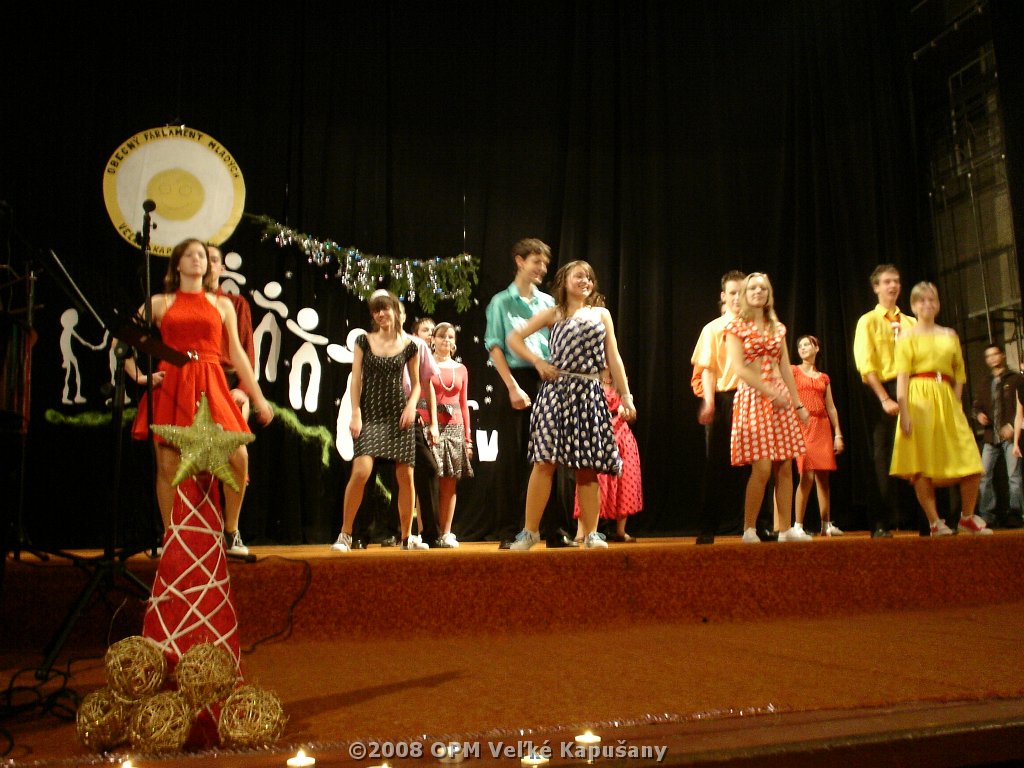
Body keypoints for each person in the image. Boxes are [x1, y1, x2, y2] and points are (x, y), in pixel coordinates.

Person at [123, 238, 273, 539]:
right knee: (168, 464)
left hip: (211, 382)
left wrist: (258, 398)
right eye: (190, 255)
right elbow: (123, 339)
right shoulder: (160, 302)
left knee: (238, 457)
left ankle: (231, 530)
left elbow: (238, 354)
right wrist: (140, 376)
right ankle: (171, 537)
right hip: (173, 383)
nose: (197, 259)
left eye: (202, 255)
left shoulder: (222, 304)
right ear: (177, 264)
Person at [505, 260, 635, 550]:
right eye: (579, 276)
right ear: (564, 281)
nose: (585, 280)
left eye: (589, 276)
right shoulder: (554, 313)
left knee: (587, 466)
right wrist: (538, 362)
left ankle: (592, 534)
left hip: (589, 393)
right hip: (557, 392)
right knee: (544, 462)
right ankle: (529, 532)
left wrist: (626, 397)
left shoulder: (601, 314)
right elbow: (513, 338)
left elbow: (613, 357)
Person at [484, 238, 572, 549]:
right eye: (537, 261)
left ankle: (554, 530)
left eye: (545, 263)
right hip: (515, 379)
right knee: (512, 458)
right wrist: (512, 387)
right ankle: (509, 530)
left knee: (550, 456)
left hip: (546, 379)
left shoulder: (548, 302)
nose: (542, 268)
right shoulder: (500, 302)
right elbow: (495, 346)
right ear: (520, 261)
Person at [889, 282, 989, 535]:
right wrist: (904, 412)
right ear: (913, 306)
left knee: (971, 460)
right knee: (921, 464)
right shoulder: (907, 337)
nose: (927, 304)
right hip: (918, 399)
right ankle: (934, 522)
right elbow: (902, 377)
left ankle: (967, 517)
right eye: (921, 300)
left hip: (946, 397)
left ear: (938, 304)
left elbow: (960, 374)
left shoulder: (949, 335)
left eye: (932, 299)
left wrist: (956, 403)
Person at [331, 290, 422, 552]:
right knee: (361, 471)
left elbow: (417, 384)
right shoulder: (364, 340)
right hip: (370, 414)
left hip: (398, 415)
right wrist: (355, 413)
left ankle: (406, 537)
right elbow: (356, 380)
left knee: (405, 475)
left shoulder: (410, 345)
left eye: (385, 308)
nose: (381, 314)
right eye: (375, 310)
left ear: (394, 310)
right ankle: (345, 534)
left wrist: (411, 406)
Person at [725, 272, 810, 543]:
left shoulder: (778, 328)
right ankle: (749, 528)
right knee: (761, 468)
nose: (758, 291)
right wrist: (769, 391)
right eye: (753, 288)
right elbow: (739, 369)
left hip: (780, 398)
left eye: (763, 288)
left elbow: (784, 366)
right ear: (745, 293)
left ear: (769, 293)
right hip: (754, 397)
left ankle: (785, 529)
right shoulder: (736, 327)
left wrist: (798, 404)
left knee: (785, 466)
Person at [853, 264, 919, 537]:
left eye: (897, 281)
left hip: (913, 388)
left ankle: (924, 518)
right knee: (882, 457)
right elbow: (865, 364)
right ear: (876, 287)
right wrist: (884, 398)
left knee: (917, 452)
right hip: (881, 389)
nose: (893, 286)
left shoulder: (911, 322)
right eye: (887, 281)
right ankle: (881, 522)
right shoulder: (868, 321)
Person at [205, 244, 256, 555]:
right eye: (202, 257)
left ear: (222, 268)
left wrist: (244, 390)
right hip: (193, 382)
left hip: (227, 384)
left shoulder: (235, 304)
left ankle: (231, 530)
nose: (207, 264)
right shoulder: (178, 302)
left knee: (236, 457)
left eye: (214, 259)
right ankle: (182, 531)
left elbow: (246, 350)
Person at [691, 270, 749, 543]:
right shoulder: (713, 328)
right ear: (724, 296)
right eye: (733, 293)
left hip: (753, 398)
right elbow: (708, 368)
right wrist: (710, 402)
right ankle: (708, 528)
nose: (738, 298)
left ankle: (755, 524)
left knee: (757, 465)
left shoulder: (755, 326)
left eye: (742, 292)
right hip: (725, 397)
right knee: (715, 466)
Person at [572, 370, 643, 542]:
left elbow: (632, 415)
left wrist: (627, 412)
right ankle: (582, 532)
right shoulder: (589, 380)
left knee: (625, 482)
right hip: (598, 437)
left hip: (622, 437)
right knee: (591, 482)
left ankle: (620, 531)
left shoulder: (621, 381)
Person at [424, 322, 474, 547]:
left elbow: (463, 405)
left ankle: (446, 532)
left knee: (449, 482)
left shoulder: (461, 369)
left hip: (455, 428)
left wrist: (468, 439)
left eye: (450, 336)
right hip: (429, 427)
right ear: (433, 340)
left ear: (454, 342)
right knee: (427, 481)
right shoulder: (425, 365)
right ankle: (425, 532)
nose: (446, 340)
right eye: (442, 336)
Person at [791, 335, 844, 536]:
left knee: (823, 476)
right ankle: (797, 525)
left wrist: (838, 434)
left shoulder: (823, 378)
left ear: (816, 348)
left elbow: (831, 407)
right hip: (803, 425)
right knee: (806, 475)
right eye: (800, 346)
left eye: (807, 344)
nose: (803, 348)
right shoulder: (793, 371)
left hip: (822, 426)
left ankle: (825, 525)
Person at [972, 344, 1023, 528]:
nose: (992, 358)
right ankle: (987, 515)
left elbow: (1020, 407)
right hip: (990, 436)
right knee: (983, 476)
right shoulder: (985, 382)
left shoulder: (1015, 378)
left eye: (995, 354)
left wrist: (1011, 426)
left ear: (1002, 355)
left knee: (1014, 477)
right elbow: (976, 406)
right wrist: (979, 415)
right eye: (988, 356)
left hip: (1010, 435)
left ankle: (1016, 513)